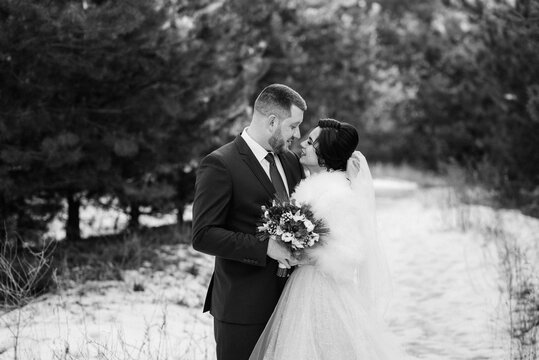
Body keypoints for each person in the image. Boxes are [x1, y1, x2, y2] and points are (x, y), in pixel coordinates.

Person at [249, 119, 409, 360]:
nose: (303, 143)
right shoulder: (313, 187)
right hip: (302, 286)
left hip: (323, 291)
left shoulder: (338, 195)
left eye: (311, 142)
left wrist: (302, 251)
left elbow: (350, 252)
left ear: (325, 155)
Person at [192, 84, 307, 360]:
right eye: (293, 126)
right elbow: (204, 234)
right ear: (271, 122)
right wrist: (265, 247)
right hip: (242, 307)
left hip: (290, 304)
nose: (298, 135)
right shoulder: (220, 164)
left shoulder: (290, 161)